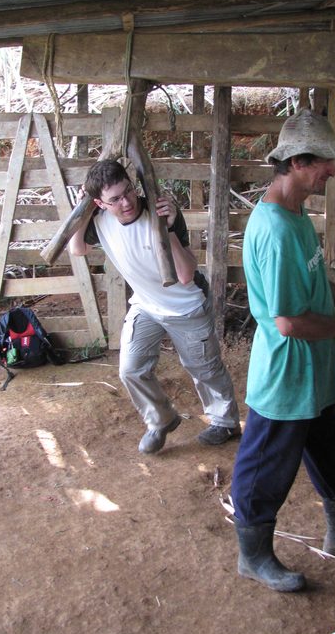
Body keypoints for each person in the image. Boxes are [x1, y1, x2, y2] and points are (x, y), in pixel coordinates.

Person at [231, 109, 335, 592]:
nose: (332, 170)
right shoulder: (275, 230)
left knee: (331, 451)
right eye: (326, 161)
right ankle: (254, 556)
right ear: (298, 161)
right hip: (286, 375)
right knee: (263, 467)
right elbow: (287, 322)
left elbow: (316, 284)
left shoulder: (296, 213)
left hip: (314, 369)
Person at [69, 159, 241, 454]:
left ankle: (225, 422)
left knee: (204, 368)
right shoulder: (99, 219)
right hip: (146, 304)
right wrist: (81, 211)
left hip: (186, 305)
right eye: (115, 199)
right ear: (100, 202)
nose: (126, 202)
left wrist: (169, 228)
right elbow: (76, 249)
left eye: (128, 191)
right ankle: (161, 419)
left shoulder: (160, 211)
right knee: (130, 370)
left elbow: (186, 275)